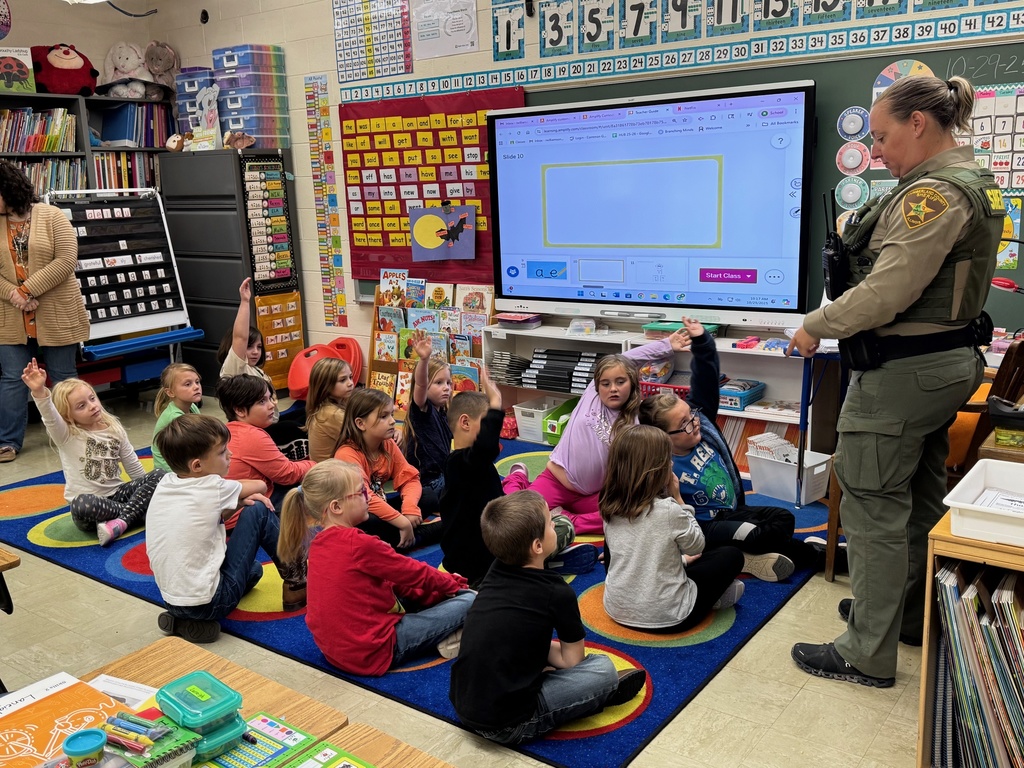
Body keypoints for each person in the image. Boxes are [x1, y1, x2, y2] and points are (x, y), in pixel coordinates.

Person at [787, 75, 1002, 688]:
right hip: (944, 366)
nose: (876, 151)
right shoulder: (974, 181)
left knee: (871, 505)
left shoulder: (932, 195)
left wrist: (815, 325)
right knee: (918, 498)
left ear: (918, 123)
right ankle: (904, 615)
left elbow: (888, 291)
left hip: (903, 373)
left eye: (881, 137)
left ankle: (865, 652)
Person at [449, 490, 647, 744]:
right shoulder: (557, 592)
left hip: (463, 703)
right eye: (551, 522)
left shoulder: (495, 570)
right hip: (508, 724)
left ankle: (541, 676)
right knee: (603, 669)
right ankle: (596, 694)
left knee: (520, 650)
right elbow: (572, 660)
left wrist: (535, 650)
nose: (555, 524)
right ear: (538, 546)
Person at [639, 317, 825, 582]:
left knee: (783, 517)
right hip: (705, 526)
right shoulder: (659, 465)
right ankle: (822, 557)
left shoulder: (702, 425)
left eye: (691, 415)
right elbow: (641, 512)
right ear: (662, 438)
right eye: (685, 425)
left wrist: (702, 341)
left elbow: (706, 379)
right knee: (759, 535)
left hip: (730, 510)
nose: (695, 423)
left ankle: (749, 553)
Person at [277, 459, 475, 676]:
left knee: (424, 592)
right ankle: (449, 631)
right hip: (374, 651)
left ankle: (448, 630)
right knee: (471, 600)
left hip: (335, 651)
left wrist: (439, 592)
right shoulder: (359, 544)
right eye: (362, 492)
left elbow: (395, 582)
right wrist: (455, 585)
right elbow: (414, 573)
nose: (369, 498)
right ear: (336, 507)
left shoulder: (318, 544)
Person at [502, 329, 690, 533]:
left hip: (595, 494)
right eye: (606, 384)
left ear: (632, 382)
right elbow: (628, 358)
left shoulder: (636, 420)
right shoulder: (591, 396)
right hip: (557, 481)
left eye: (621, 382)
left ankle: (569, 520)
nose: (613, 388)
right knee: (518, 516)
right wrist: (666, 345)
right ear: (597, 385)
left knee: (627, 517)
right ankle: (518, 477)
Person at [148, 414, 304, 644]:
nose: (230, 455)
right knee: (259, 509)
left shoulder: (166, 482)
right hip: (212, 602)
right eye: (222, 452)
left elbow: (209, 521)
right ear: (197, 465)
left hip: (171, 600)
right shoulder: (212, 485)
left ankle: (185, 621)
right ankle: (298, 581)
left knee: (254, 571)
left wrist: (237, 503)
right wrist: (244, 496)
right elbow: (260, 486)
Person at [441, 371, 597, 586]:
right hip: (488, 561)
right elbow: (486, 448)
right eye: (487, 423)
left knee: (547, 522)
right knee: (562, 525)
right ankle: (536, 566)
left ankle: (536, 565)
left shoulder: (463, 464)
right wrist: (495, 403)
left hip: (484, 554)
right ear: (465, 423)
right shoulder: (464, 463)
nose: (491, 431)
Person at [601, 425, 745, 632]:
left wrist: (683, 561)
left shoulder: (609, 505)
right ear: (656, 469)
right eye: (667, 460)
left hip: (616, 610)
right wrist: (679, 499)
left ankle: (698, 586)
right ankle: (711, 600)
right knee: (731, 555)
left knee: (629, 550)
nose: (671, 463)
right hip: (671, 618)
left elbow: (637, 553)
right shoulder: (668, 509)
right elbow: (697, 545)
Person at [0, 160, 90, 464]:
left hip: (56, 311)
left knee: (63, 376)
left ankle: (78, 433)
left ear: (9, 189)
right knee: (13, 378)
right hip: (10, 315)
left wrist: (27, 290)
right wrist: (15, 296)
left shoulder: (51, 215)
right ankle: (7, 441)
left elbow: (66, 260)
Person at [22, 359, 164, 546]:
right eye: (81, 406)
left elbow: (133, 466)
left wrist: (145, 490)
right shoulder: (66, 434)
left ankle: (122, 521)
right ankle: (138, 512)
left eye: (92, 398)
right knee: (82, 504)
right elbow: (50, 416)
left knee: (160, 475)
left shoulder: (114, 429)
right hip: (92, 508)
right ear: (67, 416)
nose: (92, 405)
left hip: (118, 494)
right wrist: (39, 391)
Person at [334, 388, 440, 549]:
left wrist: (409, 508)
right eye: (383, 416)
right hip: (359, 515)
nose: (392, 421)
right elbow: (366, 498)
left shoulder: (387, 443)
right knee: (368, 521)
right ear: (361, 423)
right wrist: (403, 522)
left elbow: (409, 477)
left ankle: (396, 541)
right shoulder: (346, 454)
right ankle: (415, 537)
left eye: (391, 414)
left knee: (428, 496)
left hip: (380, 508)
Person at [217, 375, 315, 537]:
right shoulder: (251, 435)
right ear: (239, 410)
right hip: (242, 516)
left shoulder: (231, 429)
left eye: (270, 398)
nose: (272, 405)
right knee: (317, 495)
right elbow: (288, 474)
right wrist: (316, 464)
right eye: (262, 401)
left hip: (234, 510)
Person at [218, 277, 306, 458]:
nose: (255, 352)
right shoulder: (235, 370)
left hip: (269, 421)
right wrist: (245, 302)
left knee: (307, 413)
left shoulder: (257, 371)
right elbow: (240, 337)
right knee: (295, 427)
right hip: (256, 429)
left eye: (259, 347)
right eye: (249, 347)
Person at [404, 329, 453, 499]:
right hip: (426, 485)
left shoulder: (443, 412)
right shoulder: (423, 410)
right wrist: (424, 360)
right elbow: (421, 385)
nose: (446, 388)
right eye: (439, 383)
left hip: (440, 479)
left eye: (448, 383)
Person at [151, 363, 203, 472]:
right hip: (170, 471)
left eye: (197, 382)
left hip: (182, 461)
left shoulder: (192, 407)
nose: (196, 387)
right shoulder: (174, 417)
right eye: (188, 384)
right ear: (170, 392)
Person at [305, 357, 355, 462]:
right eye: (343, 380)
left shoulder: (327, 406)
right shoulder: (332, 414)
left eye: (350, 377)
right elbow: (365, 439)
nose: (350, 383)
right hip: (332, 470)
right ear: (326, 385)